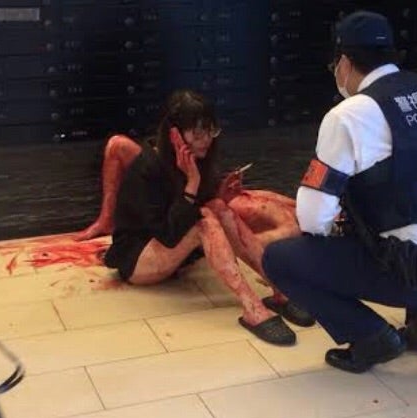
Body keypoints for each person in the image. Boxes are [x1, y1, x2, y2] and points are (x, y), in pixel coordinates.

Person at [262, 10, 417, 373]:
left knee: (280, 259)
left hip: (410, 275)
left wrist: (344, 227)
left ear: (344, 62)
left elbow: (312, 217)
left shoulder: (349, 115)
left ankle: (371, 337)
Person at [93, 90, 314, 345]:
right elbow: (168, 234)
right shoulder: (148, 167)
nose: (205, 140)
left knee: (218, 207)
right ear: (175, 134)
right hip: (139, 258)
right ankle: (252, 307)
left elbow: (202, 206)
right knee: (205, 221)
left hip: (172, 250)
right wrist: (192, 185)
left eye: (210, 131)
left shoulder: (197, 157)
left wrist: (221, 195)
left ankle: (279, 290)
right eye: (197, 134)